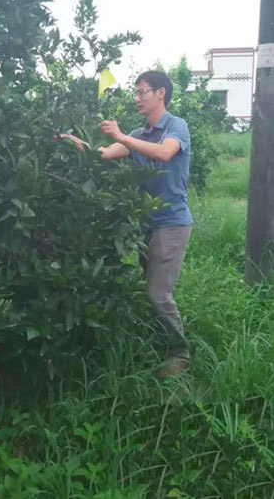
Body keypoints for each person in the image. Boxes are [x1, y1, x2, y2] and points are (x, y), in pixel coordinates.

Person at [57, 71, 192, 379]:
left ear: (160, 94)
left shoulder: (176, 127)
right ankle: (159, 340)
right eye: (136, 92)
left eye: (142, 92)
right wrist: (72, 141)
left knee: (158, 293)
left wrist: (121, 137)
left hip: (172, 223)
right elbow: (102, 153)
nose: (137, 98)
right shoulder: (138, 133)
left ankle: (180, 353)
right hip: (146, 224)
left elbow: (164, 153)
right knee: (151, 289)